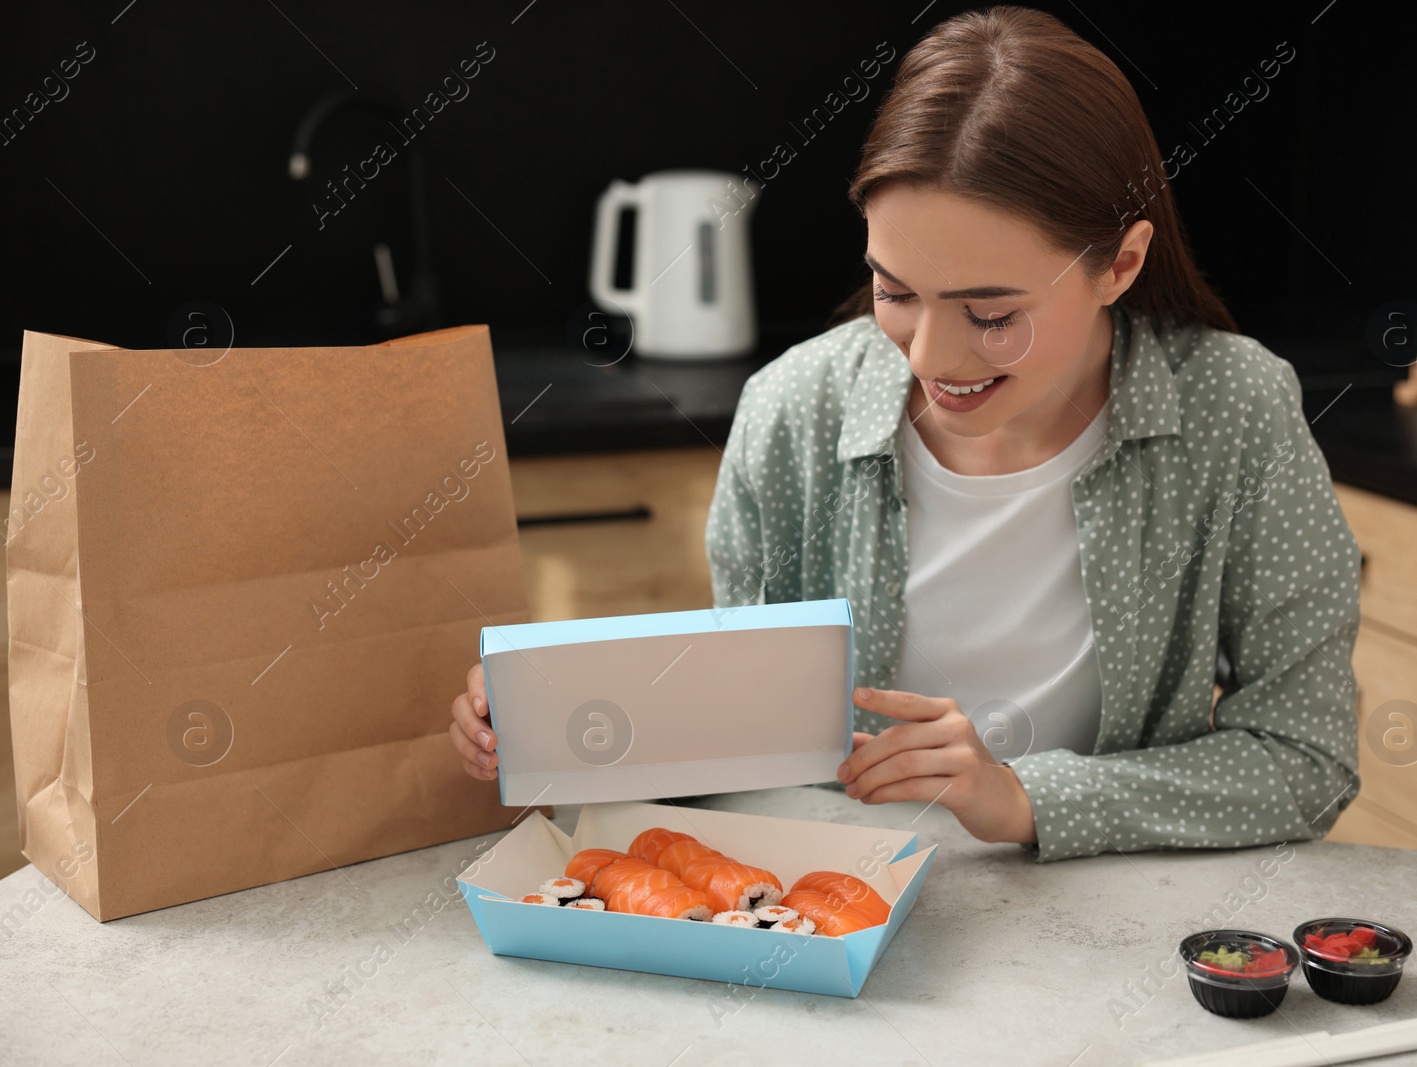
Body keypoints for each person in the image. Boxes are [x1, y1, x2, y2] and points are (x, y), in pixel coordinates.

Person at [449, 5, 1361, 862]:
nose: (930, 354)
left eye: (992, 314)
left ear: (1121, 263)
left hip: (1117, 931)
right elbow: (747, 742)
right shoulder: (791, 411)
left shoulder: (1235, 411)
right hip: (838, 910)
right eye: (895, 291)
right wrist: (551, 715)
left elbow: (1304, 758)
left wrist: (1025, 799)